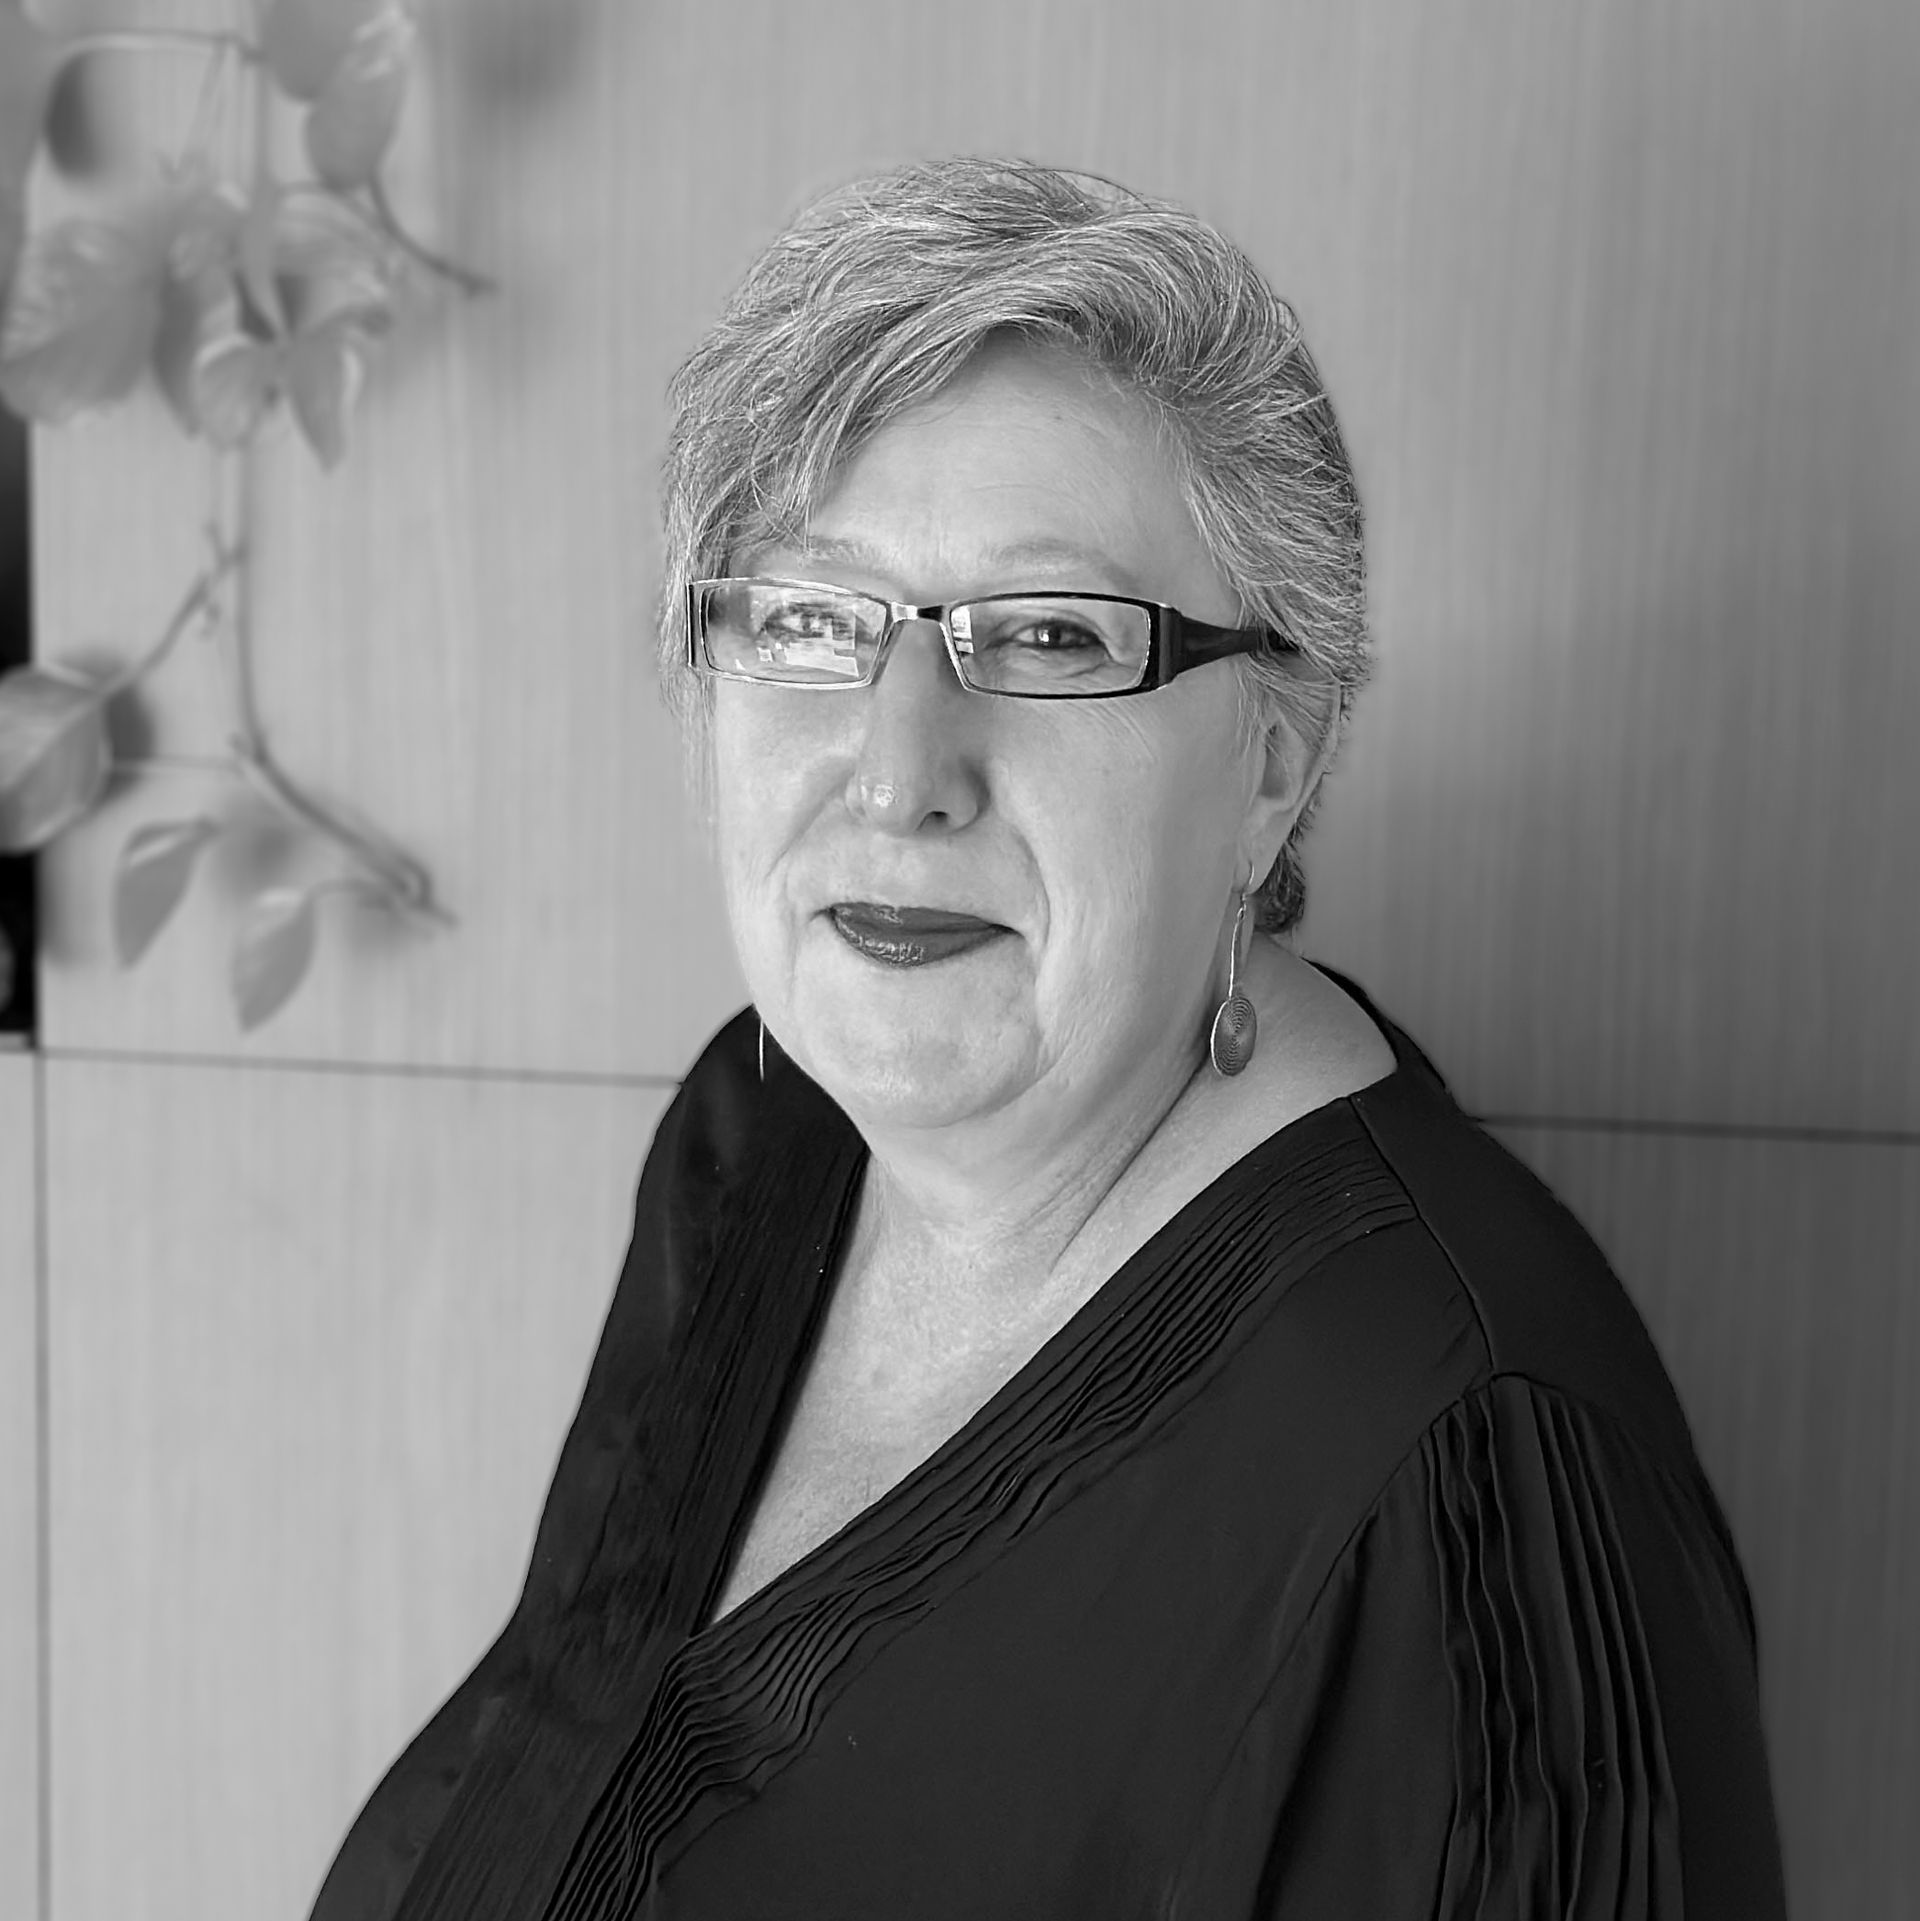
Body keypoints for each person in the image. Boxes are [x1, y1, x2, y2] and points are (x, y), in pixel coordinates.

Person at [310, 157, 1786, 1920]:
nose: (900, 772)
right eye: (812, 620)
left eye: (1051, 636)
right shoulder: (768, 1134)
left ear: (1276, 761)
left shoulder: (1475, 1478)